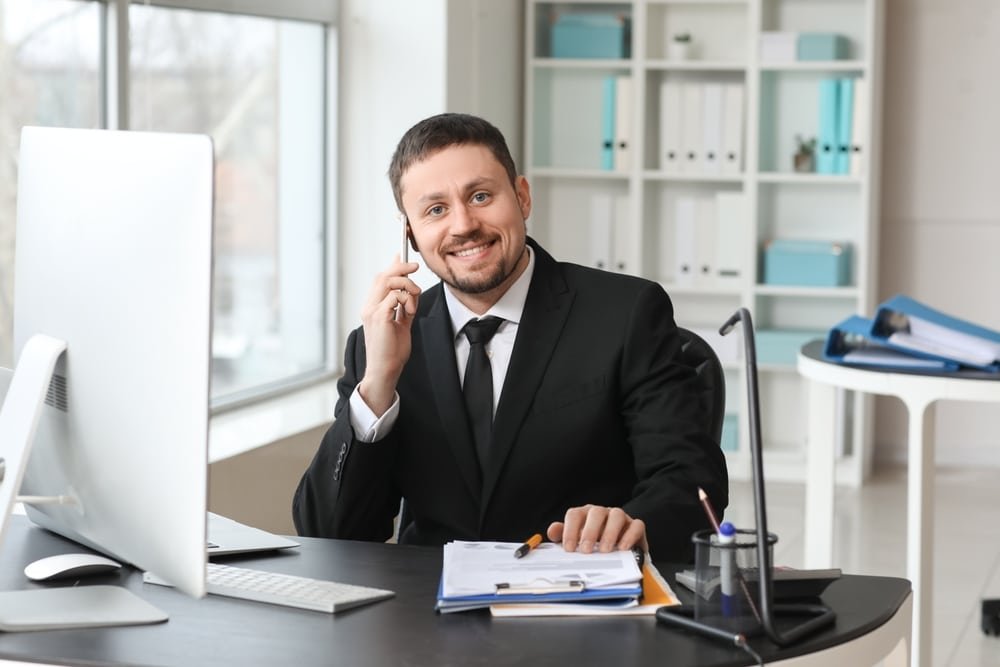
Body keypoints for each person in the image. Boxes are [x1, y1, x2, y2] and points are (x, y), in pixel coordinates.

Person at [293, 113, 728, 561]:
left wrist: (635, 524)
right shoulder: (382, 342)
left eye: (480, 196)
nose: (462, 225)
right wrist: (379, 381)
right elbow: (329, 533)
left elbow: (692, 482)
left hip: (581, 600)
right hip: (427, 612)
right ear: (411, 234)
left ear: (521, 197)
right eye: (435, 210)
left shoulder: (626, 313)